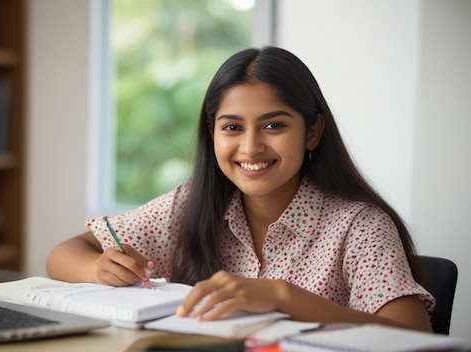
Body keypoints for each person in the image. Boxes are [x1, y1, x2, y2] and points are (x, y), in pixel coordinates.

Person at [46, 46, 435, 332]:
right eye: (232, 127)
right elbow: (64, 255)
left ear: (312, 132)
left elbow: (411, 334)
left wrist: (282, 297)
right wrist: (98, 268)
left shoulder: (359, 225)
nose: (251, 147)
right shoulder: (191, 204)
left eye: (274, 125)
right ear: (212, 134)